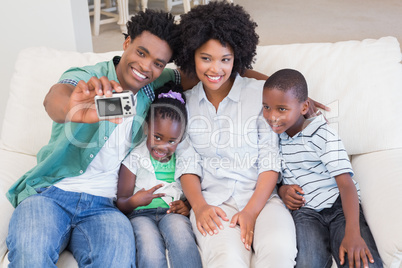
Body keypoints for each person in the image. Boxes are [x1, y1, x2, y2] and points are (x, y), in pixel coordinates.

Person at [5, 9, 183, 267]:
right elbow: (54, 99)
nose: (146, 67)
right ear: (126, 43)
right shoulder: (87, 78)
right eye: (141, 53)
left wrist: (255, 78)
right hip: (51, 194)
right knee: (30, 255)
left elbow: (202, 74)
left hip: (104, 207)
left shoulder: (151, 85)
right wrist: (74, 109)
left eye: (158, 63)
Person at [174, 2, 297, 267]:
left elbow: (269, 159)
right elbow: (187, 163)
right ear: (190, 55)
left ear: (237, 58)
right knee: (226, 260)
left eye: (225, 60)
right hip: (212, 204)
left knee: (279, 251)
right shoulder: (183, 104)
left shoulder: (259, 94)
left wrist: (251, 212)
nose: (214, 69)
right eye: (205, 58)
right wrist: (199, 207)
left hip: (262, 199)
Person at [262, 68, 383, 268]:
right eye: (266, 107)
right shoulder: (272, 138)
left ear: (304, 107)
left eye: (281, 109)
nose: (272, 116)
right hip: (305, 212)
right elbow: (275, 177)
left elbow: (346, 185)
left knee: (361, 262)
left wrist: (353, 232)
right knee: (308, 263)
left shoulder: (322, 134)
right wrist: (282, 190)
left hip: (339, 207)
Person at [116, 81, 202, 268]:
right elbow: (121, 202)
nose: (163, 146)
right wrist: (135, 200)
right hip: (140, 215)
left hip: (172, 213)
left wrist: (186, 206)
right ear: (147, 129)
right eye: (157, 137)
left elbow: (191, 192)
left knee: (182, 239)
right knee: (149, 248)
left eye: (172, 141)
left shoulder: (183, 157)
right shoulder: (135, 157)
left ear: (180, 138)